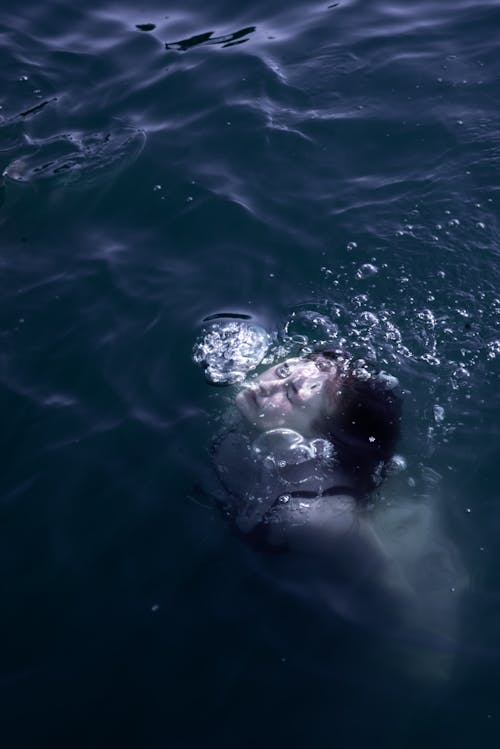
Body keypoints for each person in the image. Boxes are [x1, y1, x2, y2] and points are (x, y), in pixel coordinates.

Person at [209, 349, 467, 680]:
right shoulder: (253, 406)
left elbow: (392, 596)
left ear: (320, 436)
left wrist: (419, 660)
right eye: (285, 370)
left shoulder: (318, 517)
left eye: (292, 394)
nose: (268, 385)